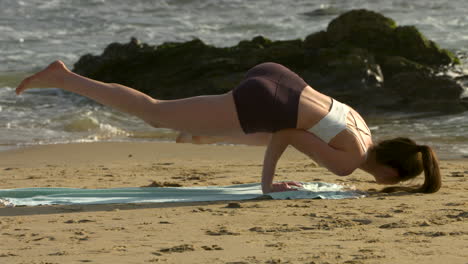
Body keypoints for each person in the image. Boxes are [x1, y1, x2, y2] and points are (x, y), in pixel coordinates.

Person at [16, 61, 441, 194]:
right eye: (395, 183)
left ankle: (204, 133)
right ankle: (65, 78)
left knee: (252, 124)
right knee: (154, 112)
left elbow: (297, 127)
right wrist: (269, 185)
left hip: (282, 79)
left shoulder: (363, 128)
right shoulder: (352, 162)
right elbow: (288, 136)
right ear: (391, 173)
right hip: (269, 100)